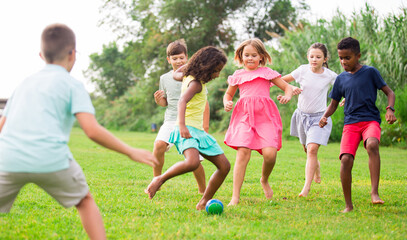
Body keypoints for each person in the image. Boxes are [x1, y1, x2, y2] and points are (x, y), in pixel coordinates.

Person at [0, 23, 158, 239]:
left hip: (8, 159)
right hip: (51, 159)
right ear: (72, 54)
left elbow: (2, 126)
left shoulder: (24, 84)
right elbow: (91, 130)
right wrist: (130, 151)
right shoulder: (72, 84)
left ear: (41, 55)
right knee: (84, 201)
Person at [145, 46, 231, 210]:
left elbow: (176, 73)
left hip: (198, 131)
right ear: (206, 67)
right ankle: (159, 179)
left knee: (224, 166)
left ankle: (204, 201)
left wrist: (192, 63)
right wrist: (182, 126)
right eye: (216, 70)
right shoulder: (195, 84)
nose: (217, 75)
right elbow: (182, 101)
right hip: (187, 128)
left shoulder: (186, 76)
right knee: (192, 162)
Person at [319, 37, 397, 213]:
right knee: (345, 159)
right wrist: (324, 116)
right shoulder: (340, 79)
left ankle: (374, 192)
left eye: (347, 57)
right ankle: (348, 205)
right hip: (351, 124)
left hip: (370, 120)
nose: (343, 61)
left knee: (372, 144)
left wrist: (390, 109)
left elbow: (389, 92)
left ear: (358, 55)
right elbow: (333, 104)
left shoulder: (370, 72)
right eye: (341, 58)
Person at [223, 38, 293, 206]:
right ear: (241, 56)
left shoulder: (267, 73)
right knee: (243, 152)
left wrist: (287, 96)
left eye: (254, 55)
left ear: (261, 56)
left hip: (265, 118)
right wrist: (227, 102)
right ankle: (235, 197)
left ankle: (264, 179)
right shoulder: (238, 76)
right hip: (244, 117)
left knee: (270, 154)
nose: (250, 58)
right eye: (246, 55)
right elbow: (228, 95)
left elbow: (287, 87)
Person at [282, 43, 338, 197]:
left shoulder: (330, 75)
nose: (314, 59)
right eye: (312, 56)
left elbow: (344, 86)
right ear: (308, 57)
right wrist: (291, 88)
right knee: (307, 150)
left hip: (320, 117)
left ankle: (306, 188)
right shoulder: (302, 70)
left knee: (312, 149)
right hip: (302, 116)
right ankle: (316, 168)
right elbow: (281, 81)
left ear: (324, 59)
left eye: (318, 57)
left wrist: (345, 98)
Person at [153, 39, 207, 194]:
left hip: (190, 121)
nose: (178, 61)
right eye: (174, 58)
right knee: (158, 146)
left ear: (187, 57)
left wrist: (205, 126)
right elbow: (166, 103)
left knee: (195, 161)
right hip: (171, 120)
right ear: (169, 60)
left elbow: (205, 103)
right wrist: (159, 101)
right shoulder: (164, 78)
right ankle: (156, 181)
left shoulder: (195, 76)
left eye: (181, 57)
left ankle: (203, 190)